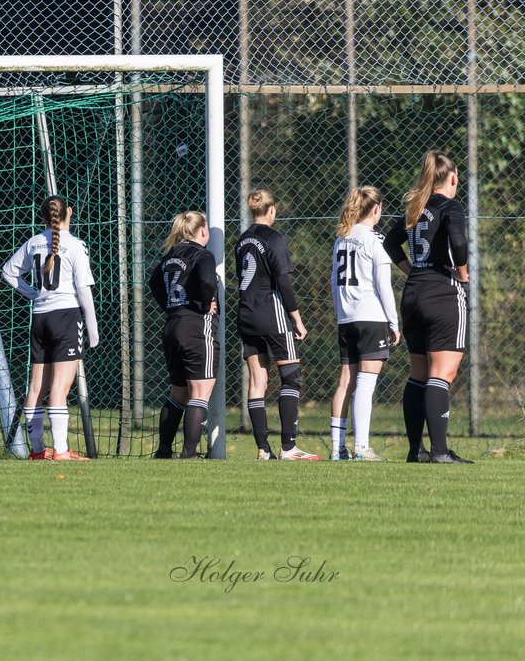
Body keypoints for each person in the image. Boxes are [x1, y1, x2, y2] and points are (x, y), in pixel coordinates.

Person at [383, 151, 473, 464]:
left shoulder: (414, 208)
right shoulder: (450, 206)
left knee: (419, 372)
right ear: (452, 177)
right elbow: (458, 242)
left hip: (412, 294)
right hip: (442, 291)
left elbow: (389, 243)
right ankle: (440, 451)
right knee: (442, 373)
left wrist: (411, 270)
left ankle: (416, 450)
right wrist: (462, 274)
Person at [1, 194, 99, 462]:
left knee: (36, 388)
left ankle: (36, 451)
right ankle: (61, 451)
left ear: (43, 216)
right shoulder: (76, 245)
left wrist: (34, 294)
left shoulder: (33, 243)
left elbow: (8, 273)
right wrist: (93, 330)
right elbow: (83, 290)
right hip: (66, 317)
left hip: (40, 318)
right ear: (69, 211)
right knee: (58, 390)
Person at [235, 188, 319, 460]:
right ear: (272, 210)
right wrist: (297, 318)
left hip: (246, 314)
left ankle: (263, 449)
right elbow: (283, 282)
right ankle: (288, 447)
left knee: (258, 380)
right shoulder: (274, 238)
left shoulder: (243, 240)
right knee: (291, 377)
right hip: (271, 314)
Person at [329, 186, 400, 462]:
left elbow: (334, 282)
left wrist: (340, 314)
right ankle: (361, 447)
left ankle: (337, 449)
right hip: (371, 317)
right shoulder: (374, 240)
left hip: (346, 319)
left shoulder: (341, 238)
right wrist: (394, 323)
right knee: (366, 383)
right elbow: (384, 287)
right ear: (376, 209)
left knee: (345, 381)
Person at [148, 211, 218, 459]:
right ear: (202, 231)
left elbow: (154, 282)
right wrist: (202, 303)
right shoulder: (203, 254)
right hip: (196, 326)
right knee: (200, 392)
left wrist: (170, 306)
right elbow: (208, 280)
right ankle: (189, 453)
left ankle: (164, 450)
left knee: (178, 392)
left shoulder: (169, 257)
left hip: (172, 326)